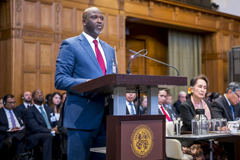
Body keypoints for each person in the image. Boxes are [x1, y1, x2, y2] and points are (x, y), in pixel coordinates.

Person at [54, 6, 117, 160]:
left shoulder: (109, 49)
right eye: (94, 17)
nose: (100, 21)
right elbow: (60, 79)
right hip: (81, 118)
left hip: (107, 119)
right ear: (83, 21)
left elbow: (112, 78)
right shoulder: (71, 45)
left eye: (101, 18)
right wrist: (88, 83)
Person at [23, 89, 59, 160]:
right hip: (35, 135)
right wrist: (51, 131)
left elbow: (54, 122)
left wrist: (57, 128)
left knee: (65, 134)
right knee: (48, 136)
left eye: (41, 93)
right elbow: (35, 128)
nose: (40, 94)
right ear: (32, 98)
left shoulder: (49, 109)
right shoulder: (28, 111)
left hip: (51, 133)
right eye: (37, 93)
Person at [0, 94, 25, 159]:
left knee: (24, 130)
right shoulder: (0, 113)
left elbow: (23, 122)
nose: (13, 104)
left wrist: (22, 126)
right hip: (8, 132)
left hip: (20, 131)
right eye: (10, 103)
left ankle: (13, 137)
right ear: (4, 103)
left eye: (14, 102)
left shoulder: (17, 111)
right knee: (19, 139)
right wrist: (10, 129)